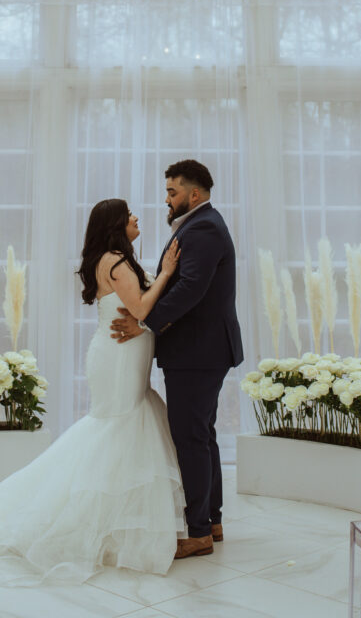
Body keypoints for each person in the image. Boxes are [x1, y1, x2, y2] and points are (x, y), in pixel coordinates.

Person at [0, 199, 185, 583]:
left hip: (122, 355)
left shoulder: (117, 258)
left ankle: (115, 525)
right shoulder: (115, 261)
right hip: (118, 359)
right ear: (117, 223)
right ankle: (83, 520)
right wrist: (167, 273)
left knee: (121, 427)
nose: (137, 217)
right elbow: (139, 309)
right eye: (129, 213)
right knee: (114, 429)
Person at [111, 159, 243, 560]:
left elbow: (190, 289)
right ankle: (212, 521)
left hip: (197, 352)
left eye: (172, 192)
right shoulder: (202, 223)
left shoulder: (202, 226)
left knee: (189, 438)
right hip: (202, 350)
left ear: (195, 194)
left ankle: (199, 532)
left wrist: (145, 323)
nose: (166, 199)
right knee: (201, 434)